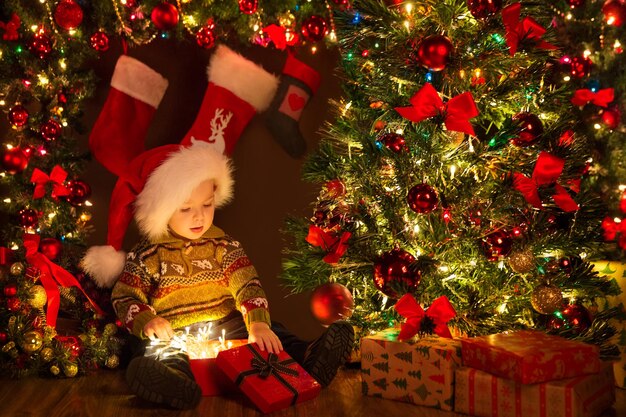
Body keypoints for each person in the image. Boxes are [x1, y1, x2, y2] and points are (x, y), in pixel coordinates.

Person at [81, 51, 354, 410]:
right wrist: (148, 319)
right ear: (163, 211)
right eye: (185, 209)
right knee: (152, 349)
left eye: (206, 205)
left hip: (227, 325)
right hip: (174, 329)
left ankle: (309, 355)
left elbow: (248, 284)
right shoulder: (148, 255)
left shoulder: (224, 246)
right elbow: (125, 297)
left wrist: (256, 322)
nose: (199, 216)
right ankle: (169, 382)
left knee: (274, 333)